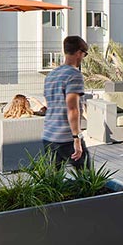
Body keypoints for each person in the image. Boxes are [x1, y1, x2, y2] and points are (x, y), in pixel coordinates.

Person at [42, 35, 90, 169]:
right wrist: (77, 138)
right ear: (79, 53)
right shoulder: (74, 74)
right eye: (84, 54)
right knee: (87, 177)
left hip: (49, 135)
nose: (82, 58)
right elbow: (72, 108)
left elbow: (49, 103)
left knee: (54, 182)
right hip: (66, 138)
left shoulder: (51, 75)